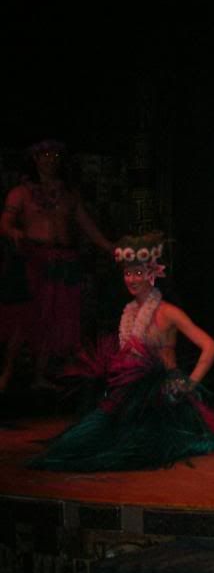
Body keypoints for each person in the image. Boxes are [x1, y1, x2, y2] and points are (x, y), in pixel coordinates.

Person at [31, 233, 214, 471]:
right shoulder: (128, 313)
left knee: (137, 447)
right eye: (128, 273)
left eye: (138, 273)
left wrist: (189, 384)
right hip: (133, 394)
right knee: (86, 442)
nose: (132, 279)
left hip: (164, 396)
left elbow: (210, 346)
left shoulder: (168, 312)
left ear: (152, 274)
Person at [0, 140, 113, 391]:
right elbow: (5, 221)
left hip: (64, 261)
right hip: (34, 260)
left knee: (53, 320)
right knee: (25, 319)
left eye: (55, 155)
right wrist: (12, 231)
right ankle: (5, 374)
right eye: (45, 154)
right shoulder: (21, 192)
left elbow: (87, 226)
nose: (50, 159)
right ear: (35, 158)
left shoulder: (69, 195)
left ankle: (39, 376)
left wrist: (109, 247)